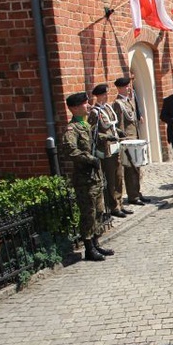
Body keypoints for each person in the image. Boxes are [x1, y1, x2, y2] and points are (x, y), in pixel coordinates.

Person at [62, 92, 114, 261]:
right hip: (84, 178)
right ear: (75, 107)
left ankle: (97, 243)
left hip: (95, 177)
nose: (88, 105)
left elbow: (93, 136)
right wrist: (90, 159)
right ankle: (89, 248)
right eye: (84, 104)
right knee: (88, 213)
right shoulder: (71, 129)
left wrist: (108, 136)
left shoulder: (85, 125)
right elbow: (71, 150)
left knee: (99, 211)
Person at [89, 84, 130, 219]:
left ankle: (120, 202)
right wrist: (107, 136)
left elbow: (112, 126)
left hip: (115, 147)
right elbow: (94, 133)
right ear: (99, 96)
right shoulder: (95, 113)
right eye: (104, 94)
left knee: (119, 177)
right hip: (105, 150)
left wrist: (118, 131)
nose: (107, 96)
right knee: (111, 179)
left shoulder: (107, 108)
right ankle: (113, 206)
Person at [112, 77, 146, 207]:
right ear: (120, 88)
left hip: (135, 139)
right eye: (126, 86)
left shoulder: (129, 101)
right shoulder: (118, 103)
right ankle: (133, 195)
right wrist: (122, 141)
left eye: (129, 86)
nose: (129, 88)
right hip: (127, 141)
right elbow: (120, 126)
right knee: (130, 169)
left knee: (136, 168)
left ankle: (137, 192)